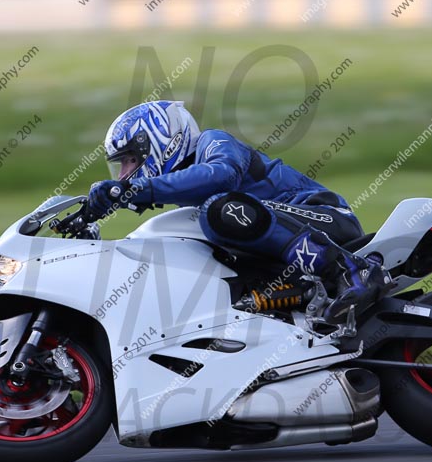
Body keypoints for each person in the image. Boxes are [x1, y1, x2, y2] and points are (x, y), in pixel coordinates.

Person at [88, 100, 392, 322]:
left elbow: (221, 175)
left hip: (323, 216)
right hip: (282, 238)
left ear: (158, 140)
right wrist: (93, 209)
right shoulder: (181, 189)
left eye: (130, 160)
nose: (125, 173)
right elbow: (154, 191)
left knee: (220, 210)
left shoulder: (213, 141)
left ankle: (353, 270)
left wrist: (141, 189)